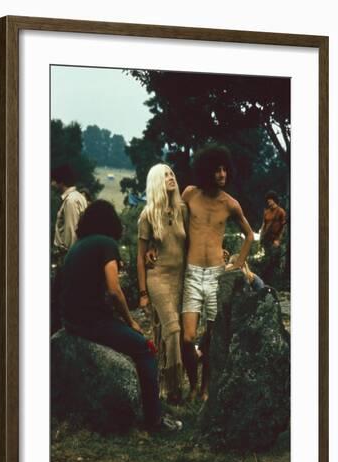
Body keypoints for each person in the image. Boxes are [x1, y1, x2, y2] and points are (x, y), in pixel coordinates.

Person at [61, 199, 182, 432]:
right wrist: (131, 322)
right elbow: (115, 290)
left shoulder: (78, 245)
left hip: (72, 321)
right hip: (92, 322)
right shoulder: (106, 244)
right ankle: (154, 420)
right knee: (145, 349)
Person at [181, 144, 254, 401]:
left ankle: (204, 389)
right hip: (191, 273)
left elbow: (249, 236)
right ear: (206, 170)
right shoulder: (189, 194)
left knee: (211, 340)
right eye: (217, 169)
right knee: (188, 338)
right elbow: (173, 225)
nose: (222, 174)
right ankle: (191, 383)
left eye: (225, 169)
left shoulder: (231, 204)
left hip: (215, 275)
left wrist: (236, 264)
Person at [137, 164, 188, 404]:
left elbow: (193, 242)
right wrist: (143, 292)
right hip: (157, 278)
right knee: (173, 330)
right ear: (156, 181)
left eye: (172, 173)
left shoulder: (182, 210)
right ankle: (174, 389)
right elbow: (140, 257)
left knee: (167, 334)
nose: (171, 177)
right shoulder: (147, 215)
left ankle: (162, 383)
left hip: (180, 278)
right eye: (165, 175)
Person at [52, 164, 88, 254]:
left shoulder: (70, 201)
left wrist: (69, 256)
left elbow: (71, 230)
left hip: (67, 253)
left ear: (61, 182)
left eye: (53, 181)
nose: (51, 184)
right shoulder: (79, 197)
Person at [259, 190, 287, 284]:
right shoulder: (266, 212)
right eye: (268, 200)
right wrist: (261, 235)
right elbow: (264, 224)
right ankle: (266, 281)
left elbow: (284, 227)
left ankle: (274, 281)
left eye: (270, 200)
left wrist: (278, 240)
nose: (269, 202)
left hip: (275, 239)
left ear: (274, 200)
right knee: (266, 259)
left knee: (274, 261)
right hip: (266, 239)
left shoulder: (280, 211)